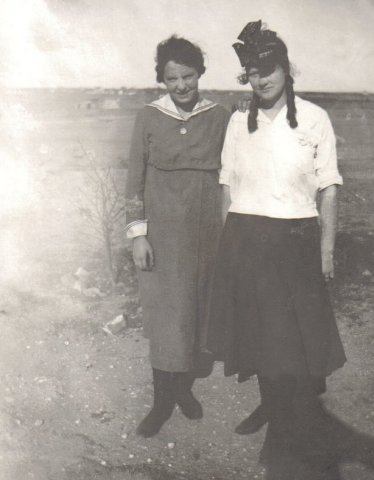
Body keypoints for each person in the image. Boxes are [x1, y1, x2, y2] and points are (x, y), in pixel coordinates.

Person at [207, 20, 347, 465]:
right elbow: (226, 186)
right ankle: (273, 407)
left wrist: (325, 251)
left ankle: (287, 429)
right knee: (257, 338)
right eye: (252, 70)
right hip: (245, 240)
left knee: (292, 343)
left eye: (268, 69)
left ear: (286, 70)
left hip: (296, 241)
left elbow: (328, 188)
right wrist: (225, 247)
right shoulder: (235, 123)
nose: (261, 78)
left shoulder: (314, 119)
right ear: (245, 75)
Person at [125, 36, 230, 438]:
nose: (182, 85)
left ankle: (183, 391)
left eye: (188, 76)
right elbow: (133, 181)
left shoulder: (219, 117)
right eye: (172, 78)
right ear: (162, 79)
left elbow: (232, 175)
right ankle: (160, 402)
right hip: (162, 239)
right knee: (164, 316)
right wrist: (138, 236)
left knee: (194, 314)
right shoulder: (148, 118)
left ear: (200, 73)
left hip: (207, 237)